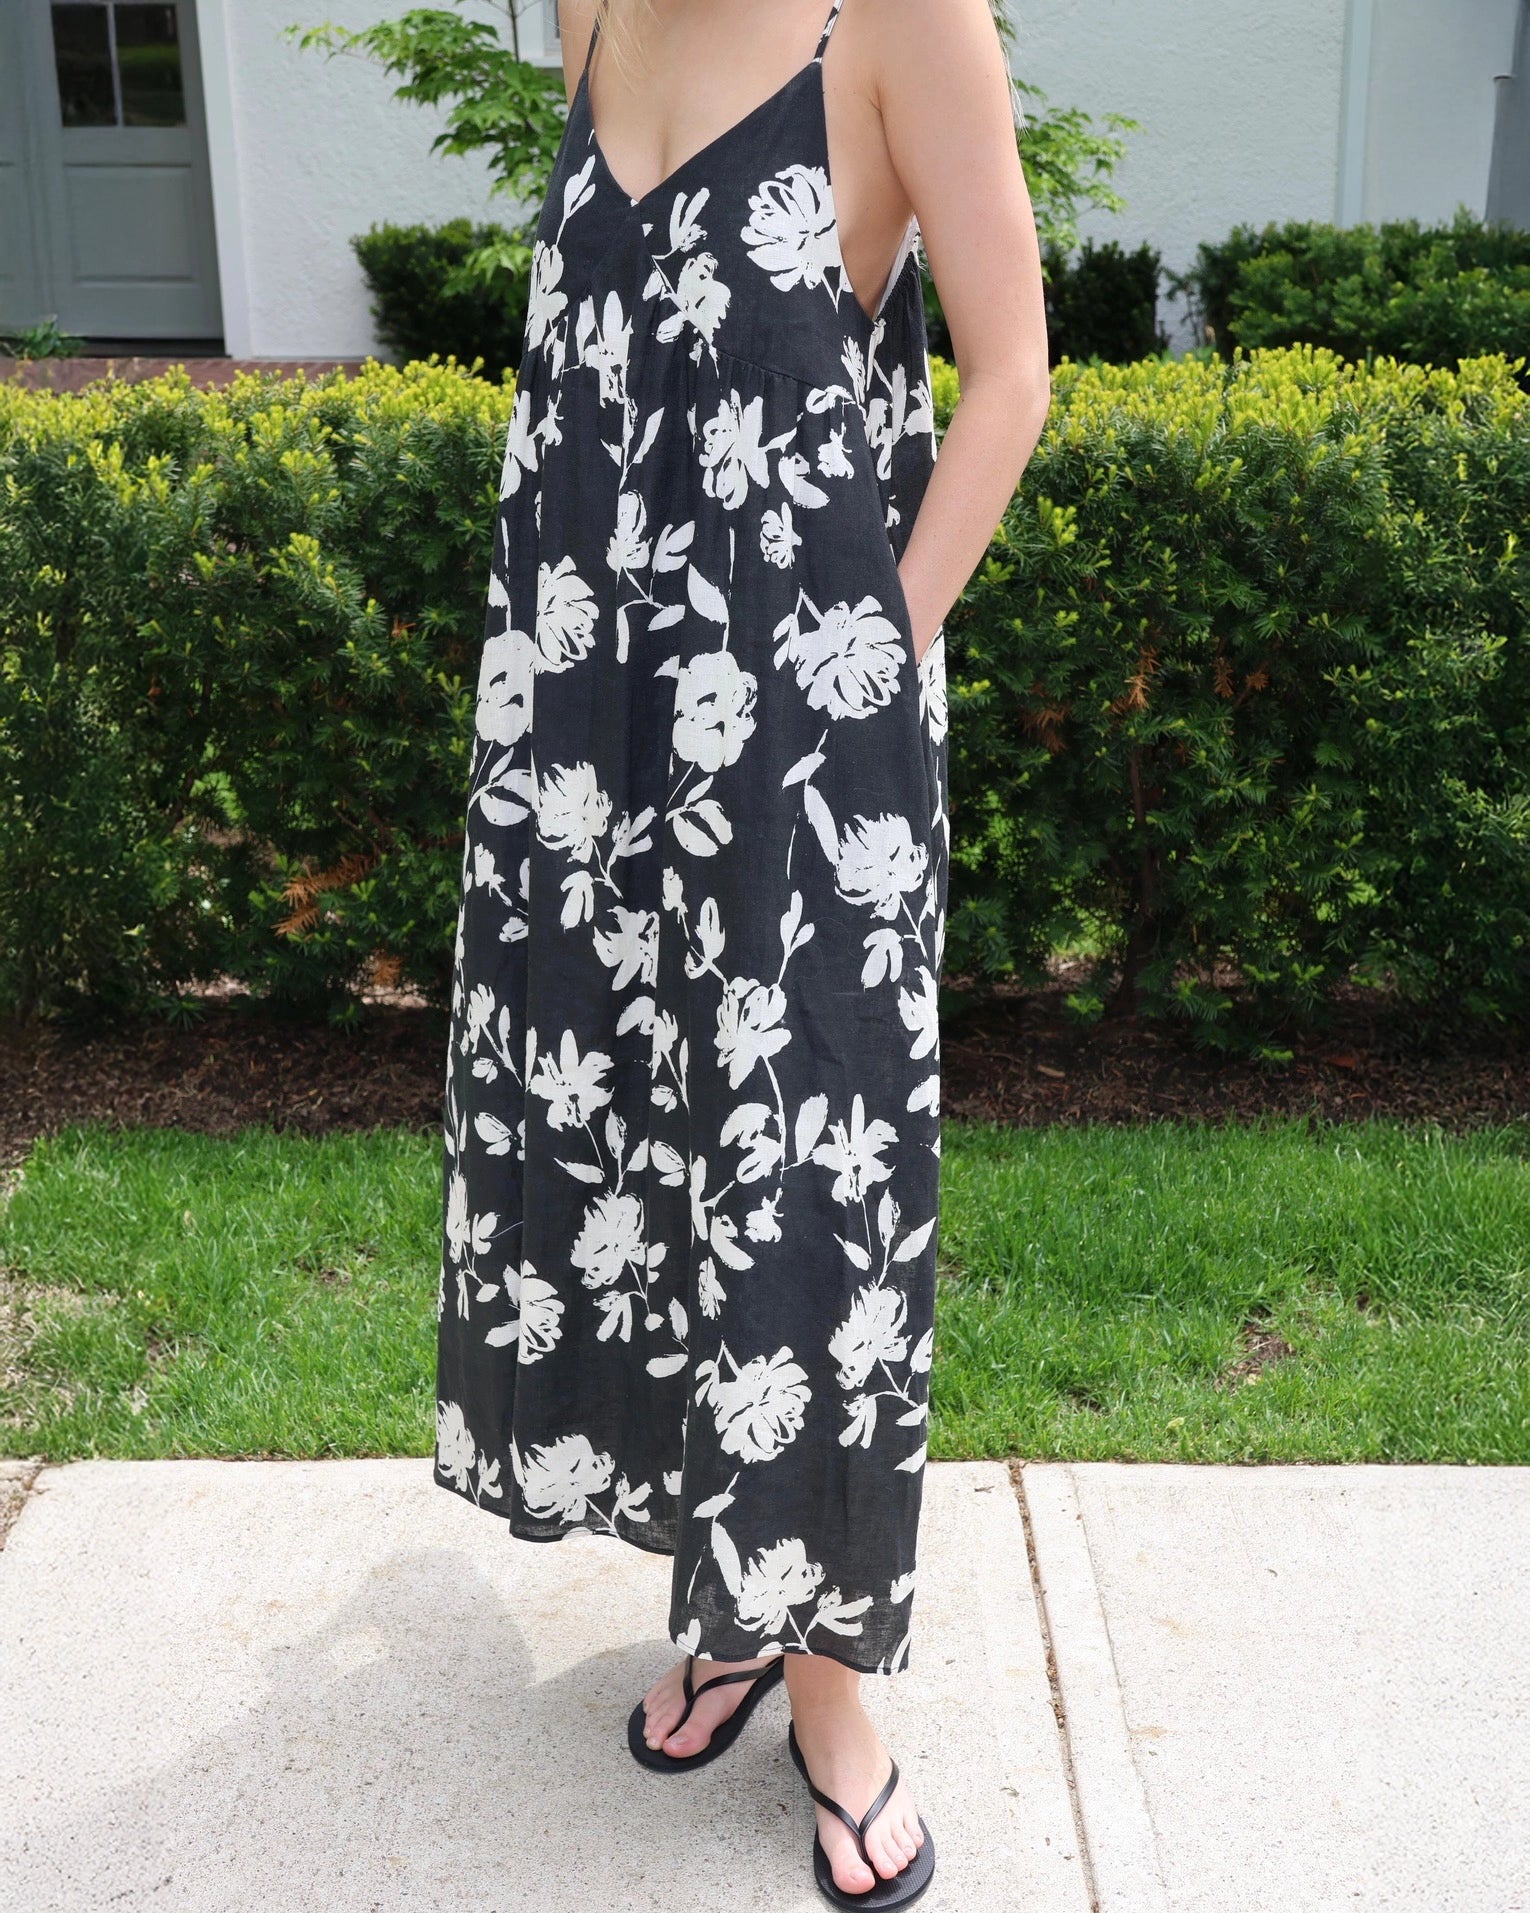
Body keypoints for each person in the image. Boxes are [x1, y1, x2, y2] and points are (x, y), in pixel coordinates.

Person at [434, 0, 1048, 1899]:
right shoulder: (591, 14)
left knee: (802, 1185)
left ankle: (835, 1682)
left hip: (802, 754)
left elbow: (1010, 377)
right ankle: (723, 1600)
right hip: (593, 745)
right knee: (650, 1154)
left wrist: (872, 671)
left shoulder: (899, 23)